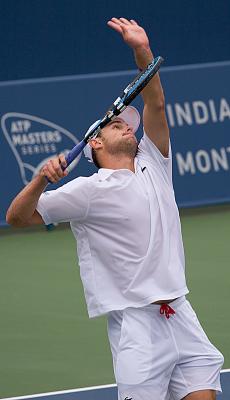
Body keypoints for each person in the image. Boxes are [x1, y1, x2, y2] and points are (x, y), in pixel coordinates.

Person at [6, 18, 224, 400]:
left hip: (181, 313)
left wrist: (141, 49)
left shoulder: (154, 161)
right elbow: (17, 217)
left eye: (129, 125)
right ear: (95, 145)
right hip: (138, 329)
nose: (128, 127)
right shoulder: (88, 191)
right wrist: (42, 178)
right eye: (116, 125)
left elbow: (154, 99)